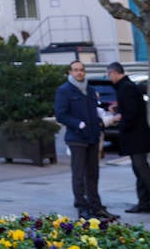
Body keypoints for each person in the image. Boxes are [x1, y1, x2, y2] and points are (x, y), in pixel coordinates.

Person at [106, 61, 150, 216]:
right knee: (139, 170)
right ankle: (144, 203)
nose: (109, 78)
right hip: (137, 135)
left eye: (109, 75)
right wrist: (119, 109)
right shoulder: (126, 86)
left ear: (114, 73)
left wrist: (118, 117)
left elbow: (131, 113)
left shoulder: (125, 88)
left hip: (136, 136)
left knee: (143, 169)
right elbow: (131, 107)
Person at [53, 60, 111, 221]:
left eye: (82, 70)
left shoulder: (91, 90)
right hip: (76, 138)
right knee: (78, 174)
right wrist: (78, 124)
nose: (79, 73)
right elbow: (60, 115)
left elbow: (95, 109)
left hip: (93, 137)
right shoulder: (64, 91)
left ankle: (96, 206)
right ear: (70, 72)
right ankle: (81, 206)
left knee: (93, 173)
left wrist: (101, 121)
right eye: (75, 70)